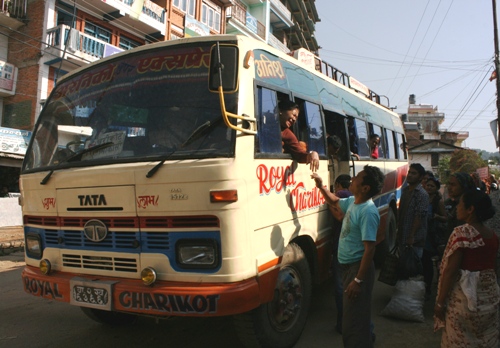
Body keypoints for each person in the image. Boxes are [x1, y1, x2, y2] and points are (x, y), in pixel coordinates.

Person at [312, 165, 385, 347]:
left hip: (356, 269)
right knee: (354, 319)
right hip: (347, 267)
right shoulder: (353, 201)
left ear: (365, 188)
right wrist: (321, 187)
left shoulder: (367, 212)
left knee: (353, 325)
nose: (352, 178)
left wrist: (358, 280)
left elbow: (370, 249)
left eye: (357, 177)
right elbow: (335, 201)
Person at [434, 189, 499, 347]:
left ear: (470, 210)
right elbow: (494, 268)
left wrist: (440, 303)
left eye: (460, 205)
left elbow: (450, 271)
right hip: (489, 299)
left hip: (464, 301)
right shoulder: (493, 236)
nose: (457, 208)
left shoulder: (461, 233)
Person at [328, 174, 353, 334]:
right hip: (353, 248)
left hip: (342, 247)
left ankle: (342, 322)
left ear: (337, 184)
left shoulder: (341, 195)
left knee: (339, 285)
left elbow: (338, 215)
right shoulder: (354, 197)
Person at [397, 163, 429, 259]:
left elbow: (419, 216)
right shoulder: (406, 191)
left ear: (420, 177)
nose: (410, 175)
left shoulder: (422, 194)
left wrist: (411, 236)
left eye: (414, 173)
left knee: (412, 267)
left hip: (415, 240)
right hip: (403, 237)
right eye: (409, 172)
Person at [422, 177, 447, 299]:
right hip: (423, 234)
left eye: (432, 186)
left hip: (433, 235)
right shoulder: (422, 198)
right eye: (427, 185)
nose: (429, 188)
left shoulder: (438, 201)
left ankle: (429, 286)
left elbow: (445, 218)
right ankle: (424, 286)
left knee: (429, 261)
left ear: (436, 188)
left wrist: (437, 217)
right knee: (423, 261)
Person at [278, 100, 319, 172]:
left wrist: (312, 154)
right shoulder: (263, 123)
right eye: (294, 115)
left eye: (296, 118)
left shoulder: (288, 134)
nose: (294, 119)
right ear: (281, 111)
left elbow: (300, 155)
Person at [443, 172, 475, 242]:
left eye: (453, 185)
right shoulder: (449, 202)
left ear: (464, 186)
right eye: (449, 184)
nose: (449, 188)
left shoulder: (470, 206)